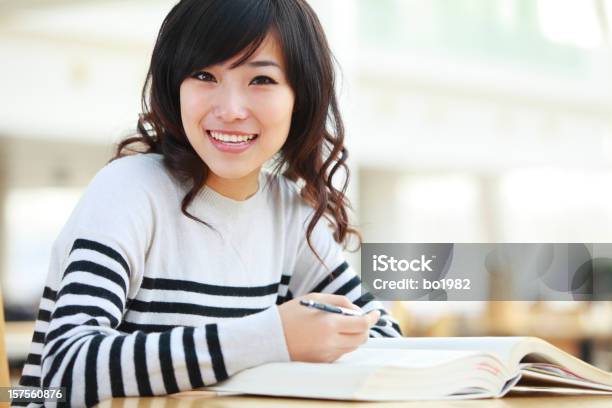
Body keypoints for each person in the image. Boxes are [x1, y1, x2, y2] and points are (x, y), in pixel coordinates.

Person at [16, 0, 402, 406]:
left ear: (299, 98)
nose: (230, 110)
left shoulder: (287, 211)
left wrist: (298, 339)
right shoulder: (130, 190)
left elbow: (382, 335)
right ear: (174, 87)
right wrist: (272, 338)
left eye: (261, 80)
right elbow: (65, 369)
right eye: (204, 75)